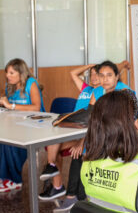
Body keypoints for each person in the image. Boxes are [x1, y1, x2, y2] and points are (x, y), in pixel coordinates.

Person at [40, 61, 130, 204]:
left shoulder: (109, 91)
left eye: (98, 74)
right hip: (78, 131)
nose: (96, 77)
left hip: (89, 133)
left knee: (79, 153)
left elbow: (112, 73)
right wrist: (90, 66)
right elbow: (74, 74)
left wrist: (123, 64)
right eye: (93, 75)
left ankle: (73, 195)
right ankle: (55, 178)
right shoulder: (87, 89)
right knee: (53, 141)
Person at [0, 58, 45, 192]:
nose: (8, 76)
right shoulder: (10, 86)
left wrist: (11, 105)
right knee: (3, 140)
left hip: (35, 124)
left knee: (10, 143)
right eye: (7, 72)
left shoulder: (31, 83)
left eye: (11, 73)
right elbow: (10, 109)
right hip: (17, 123)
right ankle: (5, 177)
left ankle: (15, 180)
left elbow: (36, 108)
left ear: (21, 73)